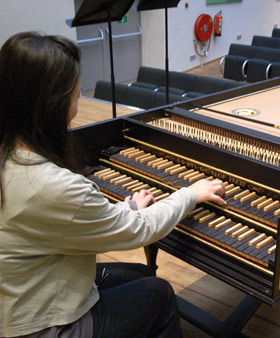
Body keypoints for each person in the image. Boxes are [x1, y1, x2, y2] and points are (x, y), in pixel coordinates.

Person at [0, 31, 226, 338]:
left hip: (21, 294)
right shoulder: (51, 185)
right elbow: (140, 231)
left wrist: (126, 208)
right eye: (76, 96)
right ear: (52, 105)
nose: (76, 105)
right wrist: (189, 194)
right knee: (159, 294)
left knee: (139, 274)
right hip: (41, 325)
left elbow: (58, 222)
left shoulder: (9, 154)